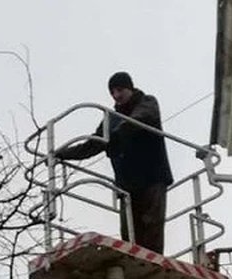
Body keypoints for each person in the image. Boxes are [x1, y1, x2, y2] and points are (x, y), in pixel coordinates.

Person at [53, 71, 173, 254]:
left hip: (152, 177)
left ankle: (155, 261)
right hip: (127, 185)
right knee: (130, 233)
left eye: (120, 90)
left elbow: (139, 119)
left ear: (130, 88)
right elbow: (92, 145)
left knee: (152, 230)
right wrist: (63, 154)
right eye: (113, 92)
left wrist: (117, 134)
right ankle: (135, 263)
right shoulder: (111, 119)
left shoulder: (147, 103)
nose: (117, 95)